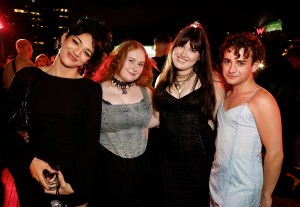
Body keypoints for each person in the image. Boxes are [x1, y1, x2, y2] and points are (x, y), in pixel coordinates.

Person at [0, 16, 112, 207]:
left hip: (68, 181)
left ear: (89, 59)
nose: (77, 52)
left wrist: (80, 193)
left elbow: (89, 145)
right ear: (64, 37)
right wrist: (30, 161)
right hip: (30, 176)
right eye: (76, 42)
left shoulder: (90, 90)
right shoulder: (27, 77)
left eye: (86, 52)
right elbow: (4, 129)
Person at [153, 21, 225, 207]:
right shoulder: (162, 79)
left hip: (199, 162)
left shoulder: (213, 82)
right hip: (166, 161)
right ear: (173, 47)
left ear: (200, 56)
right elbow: (157, 118)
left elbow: (220, 125)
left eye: (193, 49)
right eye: (181, 45)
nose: (184, 53)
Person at [209, 32, 284, 207]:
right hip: (217, 181)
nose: (231, 69)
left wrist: (266, 196)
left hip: (243, 187)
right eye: (227, 61)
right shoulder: (227, 94)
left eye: (241, 63)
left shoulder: (262, 100)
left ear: (255, 65)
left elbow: (275, 154)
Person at [89, 40, 159, 207]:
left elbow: (155, 119)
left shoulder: (147, 91)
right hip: (107, 170)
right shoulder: (95, 91)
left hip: (143, 168)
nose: (135, 67)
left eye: (141, 64)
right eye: (131, 60)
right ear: (118, 59)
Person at [256, 46, 300, 171]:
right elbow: (285, 98)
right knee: (278, 152)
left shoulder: (271, 68)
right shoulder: (289, 73)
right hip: (280, 117)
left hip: (263, 116)